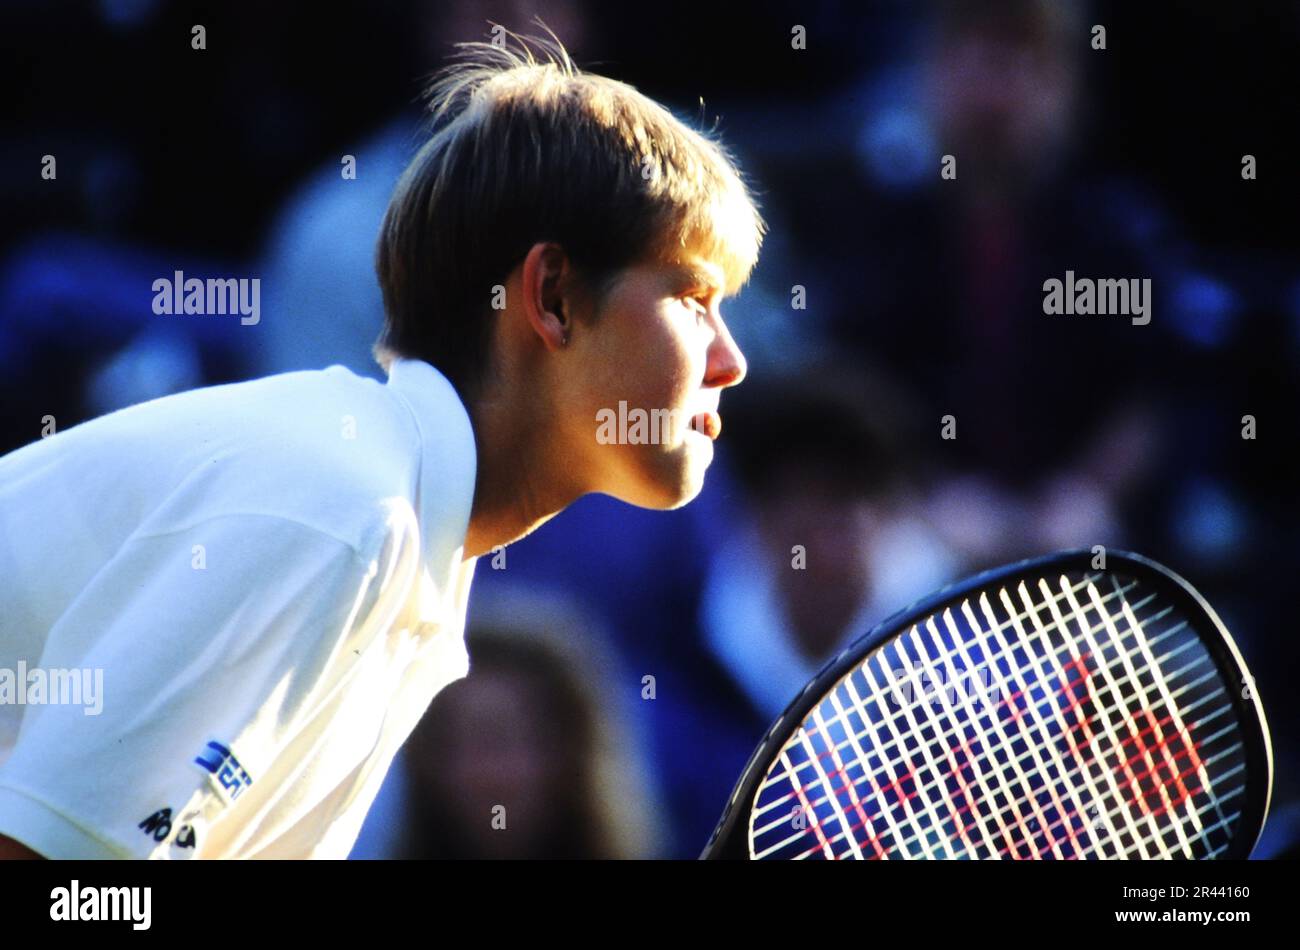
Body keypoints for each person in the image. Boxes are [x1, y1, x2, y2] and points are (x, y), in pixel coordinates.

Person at [0, 28, 763, 859]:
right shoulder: (348, 514)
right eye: (693, 298)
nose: (733, 361)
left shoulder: (395, 545)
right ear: (551, 298)